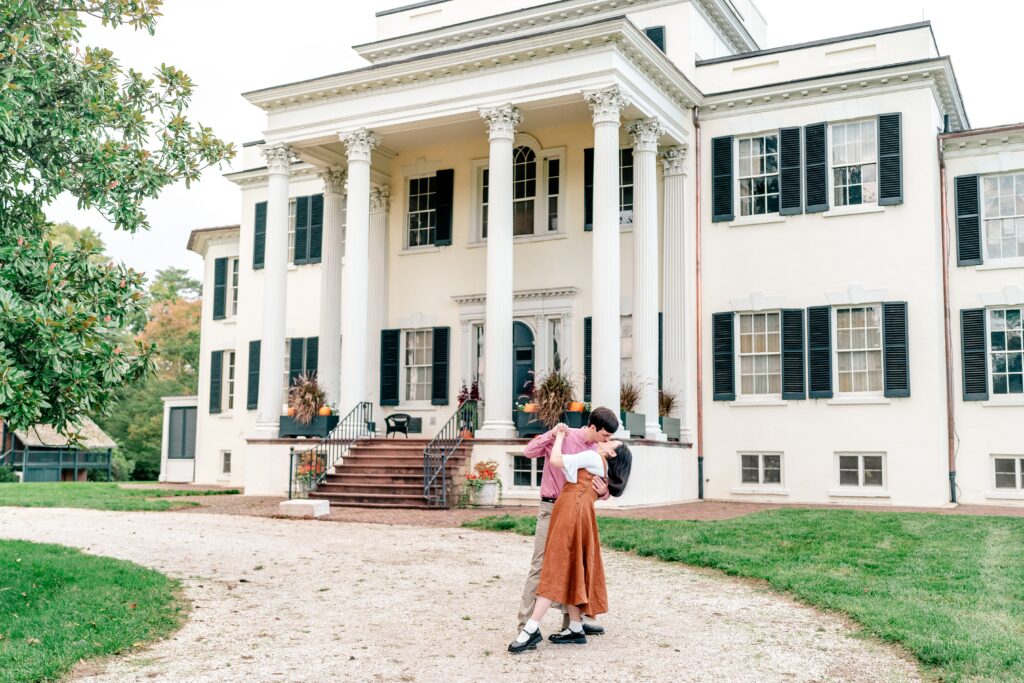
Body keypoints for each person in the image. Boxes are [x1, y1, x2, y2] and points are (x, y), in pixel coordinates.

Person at [509, 425, 633, 653]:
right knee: (567, 567)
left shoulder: (593, 455)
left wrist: (560, 437)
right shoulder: (594, 458)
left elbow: (557, 461)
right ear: (594, 427)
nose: (607, 440)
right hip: (563, 509)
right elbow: (567, 472)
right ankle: (574, 626)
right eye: (606, 435)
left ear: (612, 453)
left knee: (554, 567)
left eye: (610, 440)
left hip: (570, 512)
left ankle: (532, 627)